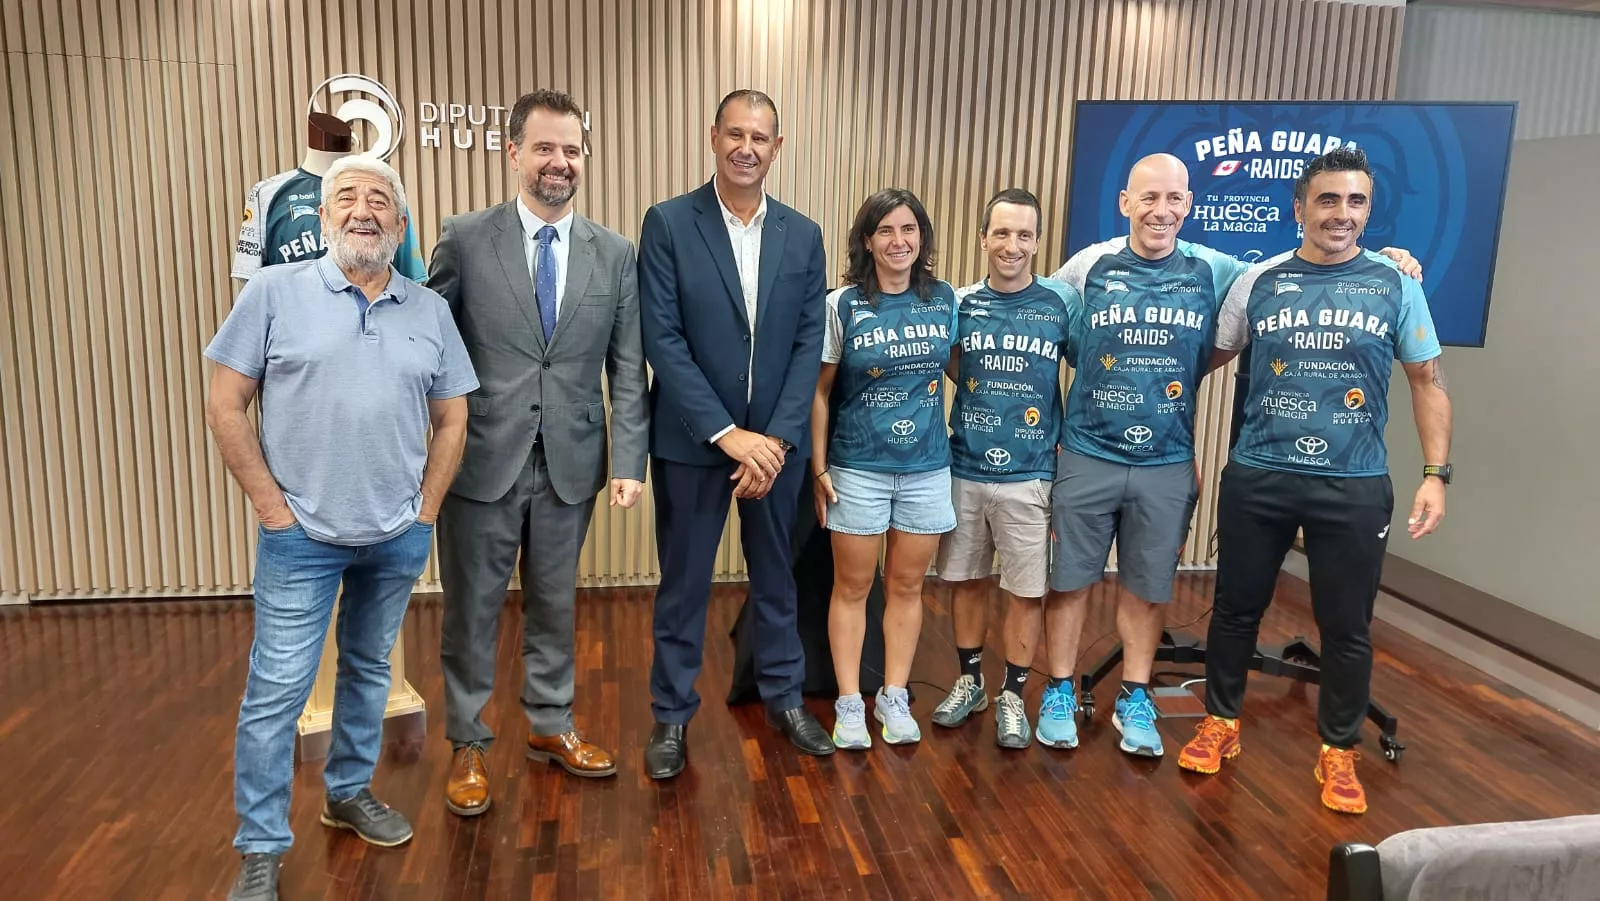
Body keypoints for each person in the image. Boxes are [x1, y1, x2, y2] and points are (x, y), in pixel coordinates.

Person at [205, 156, 477, 901]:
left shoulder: (429, 309)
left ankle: (347, 791)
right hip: (299, 536)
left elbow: (453, 417)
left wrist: (424, 511)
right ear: (324, 219)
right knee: (277, 692)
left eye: (381, 201)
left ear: (400, 223)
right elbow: (226, 403)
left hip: (394, 533)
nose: (365, 210)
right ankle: (260, 845)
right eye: (348, 199)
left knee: (367, 671)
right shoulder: (273, 294)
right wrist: (270, 506)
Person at [1179, 147, 1451, 816]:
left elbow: (1428, 381)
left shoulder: (1394, 282)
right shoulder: (1261, 278)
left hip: (1353, 483)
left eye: (1355, 201)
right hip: (1260, 473)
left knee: (1347, 625)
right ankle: (1221, 721)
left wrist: (1436, 474)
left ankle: (1338, 749)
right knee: (1236, 608)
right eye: (1328, 200)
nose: (1342, 213)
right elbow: (1206, 358)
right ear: (1299, 208)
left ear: (1367, 209)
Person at [429, 89, 648, 814]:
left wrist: (627, 463)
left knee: (556, 602)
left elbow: (627, 365)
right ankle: (467, 739)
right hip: (480, 459)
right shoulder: (464, 237)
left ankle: (551, 725)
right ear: (514, 151)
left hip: (571, 463)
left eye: (572, 149)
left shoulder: (614, 254)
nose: (560, 162)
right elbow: (433, 351)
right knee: (472, 608)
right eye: (545, 148)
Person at [638, 89, 834, 779]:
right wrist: (729, 434)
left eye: (761, 137)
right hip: (694, 443)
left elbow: (810, 342)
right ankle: (670, 714)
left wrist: (776, 441)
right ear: (712, 136)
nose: (747, 147)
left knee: (778, 579)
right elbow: (661, 337)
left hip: (776, 449)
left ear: (777, 148)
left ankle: (784, 697)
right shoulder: (667, 223)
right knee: (684, 584)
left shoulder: (802, 235)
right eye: (735, 134)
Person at [931, 189, 1079, 749]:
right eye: (1001, 233)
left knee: (1025, 590)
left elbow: (1090, 372)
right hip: (966, 465)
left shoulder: (1061, 304)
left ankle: (1014, 694)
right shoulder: (959, 303)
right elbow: (950, 363)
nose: (1012, 245)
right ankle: (970, 682)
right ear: (982, 237)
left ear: (1037, 241)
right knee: (965, 580)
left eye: (1023, 235)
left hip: (1031, 472)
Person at [813, 188, 959, 749]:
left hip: (926, 468)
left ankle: (893, 696)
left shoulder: (943, 298)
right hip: (858, 468)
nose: (899, 242)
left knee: (906, 586)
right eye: (886, 231)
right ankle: (850, 703)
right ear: (867, 241)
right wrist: (819, 468)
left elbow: (959, 372)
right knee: (852, 587)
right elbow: (819, 393)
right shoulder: (843, 304)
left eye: (909, 230)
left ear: (921, 238)